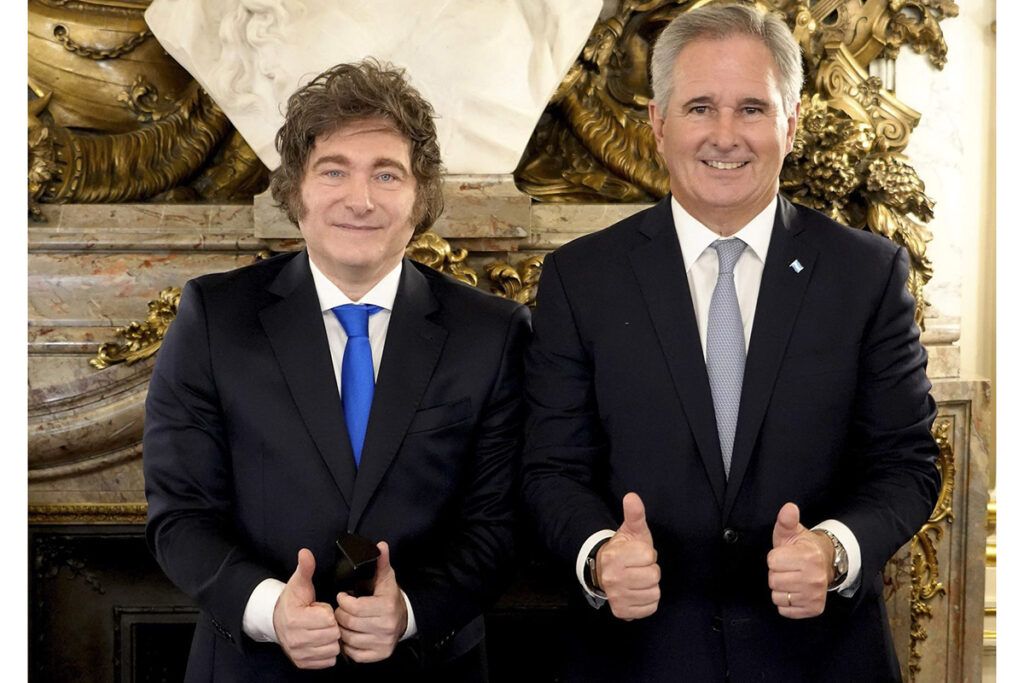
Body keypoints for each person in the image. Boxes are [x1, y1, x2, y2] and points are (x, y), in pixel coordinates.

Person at [521, 4, 940, 681]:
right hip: (636, 658)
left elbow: (907, 463)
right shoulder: (582, 277)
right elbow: (550, 468)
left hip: (820, 659)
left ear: (791, 123)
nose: (725, 135)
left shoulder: (867, 274)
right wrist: (598, 554)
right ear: (658, 123)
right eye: (699, 108)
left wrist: (836, 548)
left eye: (752, 108)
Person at [144, 60, 530, 682]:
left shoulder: (493, 332)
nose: (360, 199)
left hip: (428, 666)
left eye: (387, 173)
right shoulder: (214, 317)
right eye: (333, 171)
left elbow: (499, 525)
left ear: (421, 196)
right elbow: (179, 515)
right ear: (295, 190)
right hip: (252, 668)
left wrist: (409, 611)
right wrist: (271, 610)